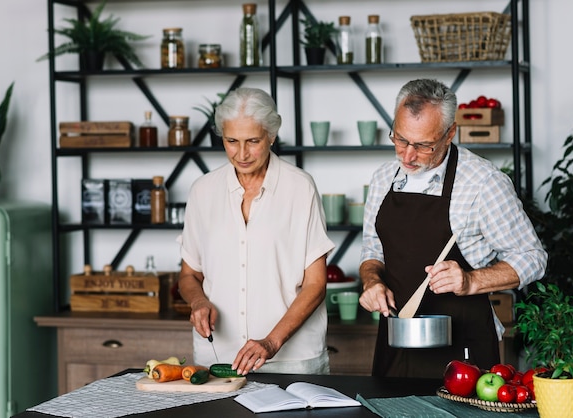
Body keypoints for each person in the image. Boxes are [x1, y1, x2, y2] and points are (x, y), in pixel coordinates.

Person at [359, 79, 547, 378]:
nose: (407, 155)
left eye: (422, 145)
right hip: (396, 344)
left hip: (464, 353)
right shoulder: (383, 178)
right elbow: (372, 249)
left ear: (450, 134)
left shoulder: (483, 182)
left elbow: (533, 257)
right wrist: (371, 282)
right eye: (400, 139)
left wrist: (470, 281)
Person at [178, 87, 335, 376]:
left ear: (271, 135)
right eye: (231, 141)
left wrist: (271, 342)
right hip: (218, 358)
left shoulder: (300, 188)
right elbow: (190, 275)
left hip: (292, 360)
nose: (241, 153)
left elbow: (315, 285)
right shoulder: (203, 191)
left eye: (252, 141)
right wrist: (198, 301)